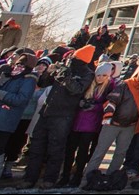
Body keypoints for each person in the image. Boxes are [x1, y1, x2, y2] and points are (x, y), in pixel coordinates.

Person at [22, 45, 95, 188]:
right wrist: (48, 73)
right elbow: (43, 83)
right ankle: (29, 178)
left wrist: (65, 75)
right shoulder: (63, 67)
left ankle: (49, 179)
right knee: (36, 146)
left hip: (64, 116)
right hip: (46, 112)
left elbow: (77, 89)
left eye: (74, 57)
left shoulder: (87, 73)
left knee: (56, 149)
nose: (71, 59)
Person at [82, 54, 139, 186]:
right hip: (113, 123)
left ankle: (112, 178)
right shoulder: (125, 85)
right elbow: (113, 99)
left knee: (120, 153)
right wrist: (109, 115)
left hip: (130, 126)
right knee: (100, 150)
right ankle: (89, 177)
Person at [0, 53, 35, 192]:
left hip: (4, 121)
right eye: (17, 64)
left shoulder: (28, 80)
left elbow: (21, 99)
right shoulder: (6, 76)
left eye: (22, 65)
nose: (18, 67)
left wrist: (2, 95)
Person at [60, 62, 115, 187]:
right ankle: (65, 175)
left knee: (82, 152)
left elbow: (108, 104)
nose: (100, 78)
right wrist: (81, 103)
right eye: (98, 75)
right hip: (77, 122)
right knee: (70, 150)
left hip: (91, 125)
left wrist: (94, 107)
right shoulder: (89, 85)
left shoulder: (109, 87)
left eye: (104, 75)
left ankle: (78, 176)